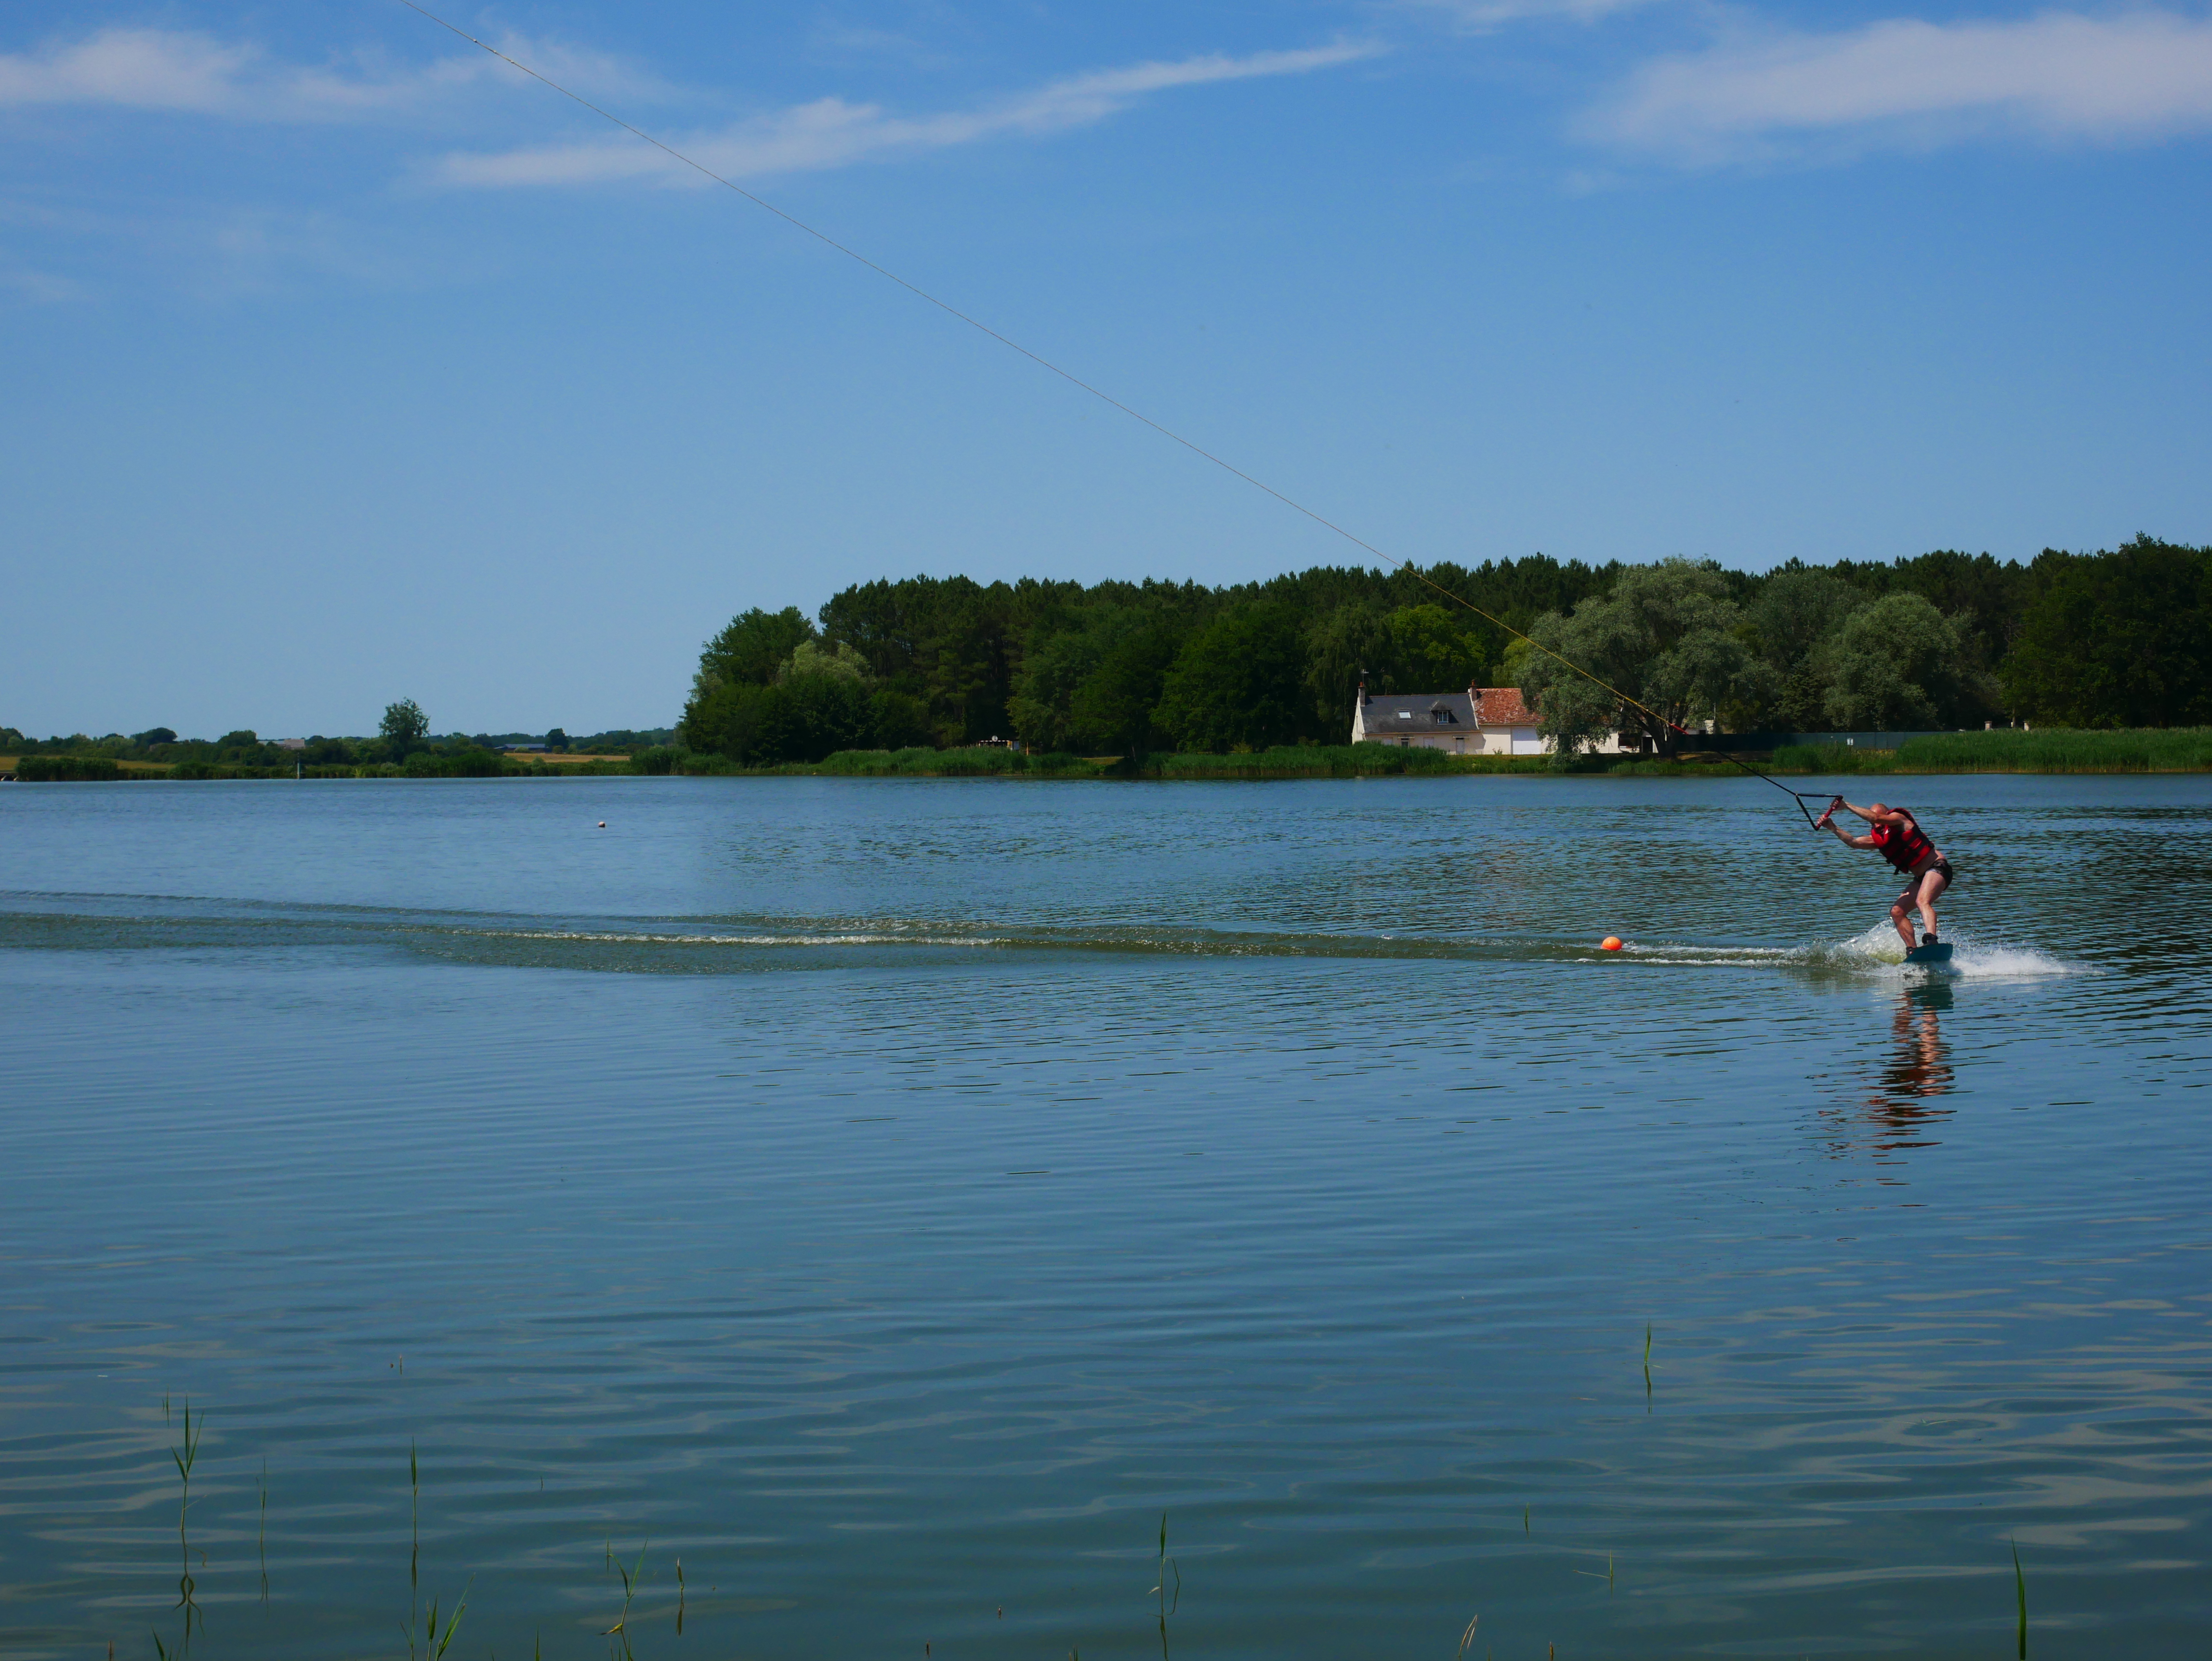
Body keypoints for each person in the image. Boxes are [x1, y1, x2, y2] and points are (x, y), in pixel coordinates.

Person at [1815, 796, 1955, 950]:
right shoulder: (1881, 839)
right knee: (1897, 912)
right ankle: (1913, 950)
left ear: (1887, 815)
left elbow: (1876, 816)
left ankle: (1931, 939)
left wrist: (1846, 806)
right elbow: (1854, 843)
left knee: (1922, 901)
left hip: (1938, 867)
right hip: (1921, 878)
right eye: (1873, 823)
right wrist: (1833, 828)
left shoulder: (1900, 820)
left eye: (1879, 820)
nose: (1876, 824)